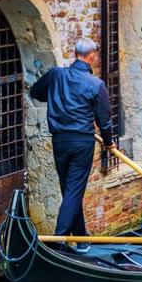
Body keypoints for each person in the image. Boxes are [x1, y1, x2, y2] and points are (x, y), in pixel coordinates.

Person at [30, 38, 114, 253]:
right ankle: (58, 239)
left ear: (74, 53)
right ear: (92, 56)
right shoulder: (96, 85)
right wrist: (109, 142)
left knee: (70, 190)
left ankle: (82, 237)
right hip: (82, 142)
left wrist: (58, 98)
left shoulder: (56, 75)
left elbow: (36, 92)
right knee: (73, 190)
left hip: (60, 140)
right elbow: (104, 120)